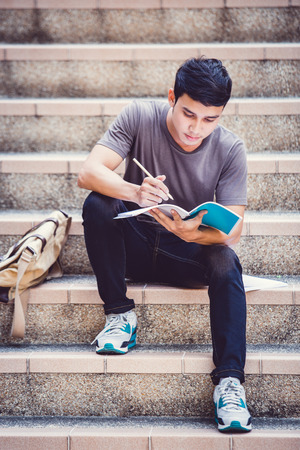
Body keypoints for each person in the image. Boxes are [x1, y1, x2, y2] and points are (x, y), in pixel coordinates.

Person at [78, 57, 252, 432]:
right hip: (133, 245)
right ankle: (120, 315)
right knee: (97, 202)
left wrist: (194, 234)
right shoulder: (139, 116)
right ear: (172, 97)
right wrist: (134, 192)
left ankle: (229, 382)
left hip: (182, 255)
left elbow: (233, 228)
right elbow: (88, 172)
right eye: (189, 114)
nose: (196, 128)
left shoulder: (230, 149)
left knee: (225, 260)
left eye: (210, 119)